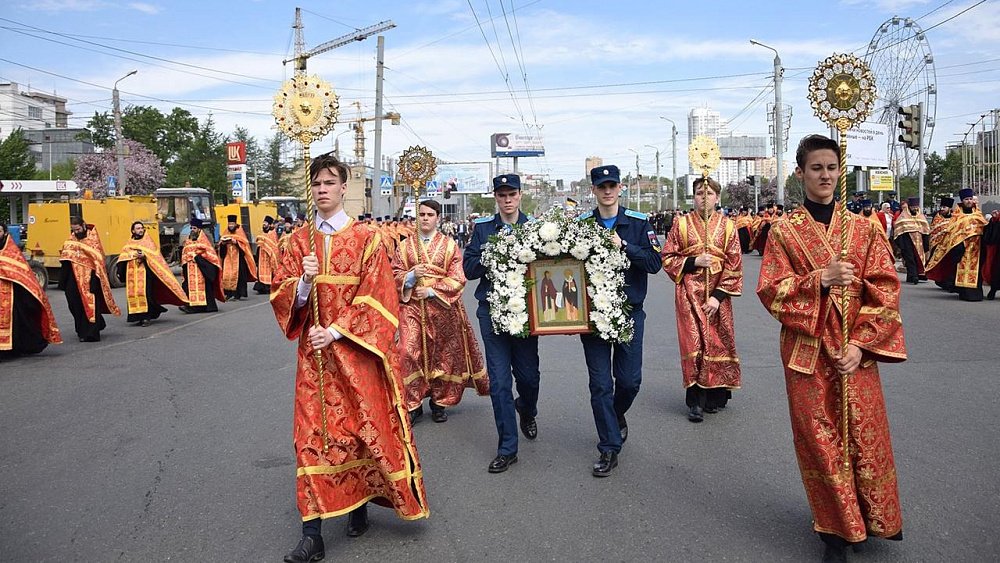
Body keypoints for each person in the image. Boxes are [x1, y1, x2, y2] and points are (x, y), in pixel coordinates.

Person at [756, 135, 906, 562]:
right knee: (819, 439)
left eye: (831, 168)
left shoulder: (864, 229)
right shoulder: (784, 232)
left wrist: (860, 344)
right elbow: (771, 291)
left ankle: (872, 517)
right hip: (807, 353)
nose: (824, 175)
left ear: (840, 173)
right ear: (800, 173)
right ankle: (836, 532)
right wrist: (818, 280)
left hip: (855, 353)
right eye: (816, 168)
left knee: (862, 433)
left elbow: (886, 291)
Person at [271, 153, 427, 563]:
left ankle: (357, 503)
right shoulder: (296, 242)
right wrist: (303, 283)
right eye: (316, 183)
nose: (322, 190)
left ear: (343, 188)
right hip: (314, 363)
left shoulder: (367, 239)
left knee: (359, 431)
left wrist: (336, 330)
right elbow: (281, 295)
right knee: (311, 437)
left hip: (356, 356)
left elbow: (379, 296)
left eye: (329, 183)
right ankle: (312, 534)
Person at [575, 164, 662, 477]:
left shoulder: (638, 223)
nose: (607, 191)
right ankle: (609, 447)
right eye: (602, 186)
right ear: (594, 191)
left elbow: (654, 263)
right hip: (594, 316)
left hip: (628, 312)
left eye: (612, 185)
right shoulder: (583, 225)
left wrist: (624, 245)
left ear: (620, 188)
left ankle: (614, 415)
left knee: (629, 381)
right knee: (600, 385)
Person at [463, 173, 540, 474]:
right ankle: (507, 448)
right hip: (492, 312)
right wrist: (488, 255)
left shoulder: (535, 228)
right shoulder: (483, 229)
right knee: (499, 382)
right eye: (501, 195)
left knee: (529, 377)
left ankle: (527, 409)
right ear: (496, 198)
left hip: (527, 313)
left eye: (512, 194)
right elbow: (469, 269)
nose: (507, 200)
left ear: (520, 195)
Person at [392, 199, 488, 424]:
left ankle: (439, 401)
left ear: (437, 218)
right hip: (412, 306)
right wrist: (411, 276)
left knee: (444, 355)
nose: (425, 218)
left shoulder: (448, 245)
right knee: (407, 351)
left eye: (429, 215)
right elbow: (394, 272)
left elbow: (458, 277)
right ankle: (413, 402)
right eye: (421, 214)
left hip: (443, 308)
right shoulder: (405, 246)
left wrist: (433, 290)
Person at [660, 177, 742, 423]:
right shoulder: (681, 224)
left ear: (717, 197)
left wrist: (717, 297)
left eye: (708, 193)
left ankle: (716, 395)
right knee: (693, 342)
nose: (703, 197)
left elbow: (735, 263)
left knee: (717, 342)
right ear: (693, 197)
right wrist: (693, 261)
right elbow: (667, 256)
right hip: (688, 294)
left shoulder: (728, 226)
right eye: (698, 193)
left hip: (718, 296)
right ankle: (695, 401)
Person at [0, 224, 62, 357]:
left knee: (16, 321)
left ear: (5, 233)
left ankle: (11, 348)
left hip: (12, 293)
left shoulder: (11, 251)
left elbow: (22, 273)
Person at [58, 217, 120, 342]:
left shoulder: (93, 241)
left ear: (83, 225)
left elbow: (99, 261)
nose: (76, 232)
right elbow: (65, 263)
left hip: (90, 278)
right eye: (74, 230)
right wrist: (62, 282)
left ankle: (91, 333)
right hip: (72, 278)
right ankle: (81, 330)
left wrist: (95, 281)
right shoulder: (70, 242)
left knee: (91, 305)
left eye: (78, 229)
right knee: (74, 305)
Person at [116, 221, 188, 326]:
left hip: (146, 274)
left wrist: (144, 256)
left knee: (146, 294)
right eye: (138, 228)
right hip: (132, 275)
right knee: (133, 295)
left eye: (141, 228)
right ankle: (137, 317)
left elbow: (155, 257)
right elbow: (122, 257)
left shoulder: (148, 242)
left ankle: (146, 318)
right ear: (133, 231)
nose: (140, 230)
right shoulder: (129, 244)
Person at [925, 188, 989, 301]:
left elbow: (985, 230)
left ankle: (976, 293)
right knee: (962, 270)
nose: (969, 201)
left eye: (970, 199)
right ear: (962, 201)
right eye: (966, 199)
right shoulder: (957, 217)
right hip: (962, 248)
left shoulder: (978, 215)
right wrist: (958, 246)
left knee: (977, 272)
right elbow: (951, 234)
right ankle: (964, 293)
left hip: (977, 249)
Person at [179, 218, 224, 314]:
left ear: (199, 229)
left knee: (204, 287)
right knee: (187, 286)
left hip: (202, 269)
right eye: (191, 228)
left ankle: (201, 306)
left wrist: (197, 257)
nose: (192, 230)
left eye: (194, 228)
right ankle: (191, 305)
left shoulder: (205, 241)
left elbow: (210, 256)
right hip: (190, 269)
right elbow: (184, 253)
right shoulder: (188, 241)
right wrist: (187, 258)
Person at [892, 197, 931, 285]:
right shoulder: (903, 217)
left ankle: (914, 275)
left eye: (916, 206)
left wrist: (926, 245)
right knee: (910, 259)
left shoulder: (921, 216)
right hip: (907, 241)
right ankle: (914, 276)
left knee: (918, 258)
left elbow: (926, 231)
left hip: (919, 243)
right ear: (909, 207)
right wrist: (901, 245)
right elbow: (899, 231)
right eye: (913, 207)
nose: (915, 208)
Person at [218, 215, 258, 301]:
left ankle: (238, 294)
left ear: (235, 224)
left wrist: (236, 242)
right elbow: (221, 245)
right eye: (229, 224)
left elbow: (245, 245)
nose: (231, 226)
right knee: (226, 275)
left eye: (232, 224)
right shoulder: (226, 232)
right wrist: (223, 244)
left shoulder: (240, 232)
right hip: (228, 258)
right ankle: (228, 293)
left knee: (239, 277)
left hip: (239, 259)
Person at [253, 216, 280, 295]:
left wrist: (264, 242)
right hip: (262, 256)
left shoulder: (272, 233)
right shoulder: (262, 233)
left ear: (270, 224)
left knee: (269, 272)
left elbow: (273, 246)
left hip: (268, 256)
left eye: (266, 223)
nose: (264, 224)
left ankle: (268, 286)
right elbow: (259, 243)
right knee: (261, 271)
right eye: (264, 223)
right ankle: (261, 287)